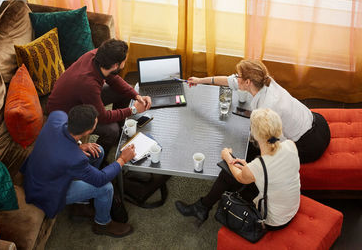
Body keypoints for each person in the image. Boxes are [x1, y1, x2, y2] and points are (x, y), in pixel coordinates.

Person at [21, 104, 136, 237]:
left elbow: (61, 141)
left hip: (45, 170)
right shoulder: (74, 159)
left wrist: (79, 145)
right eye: (95, 123)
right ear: (87, 131)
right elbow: (100, 179)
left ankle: (81, 204)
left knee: (98, 151)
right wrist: (122, 159)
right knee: (106, 188)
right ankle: (102, 224)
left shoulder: (57, 116)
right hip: (46, 192)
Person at [176, 108, 301, 229]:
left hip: (273, 220)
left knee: (227, 173)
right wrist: (248, 167)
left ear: (256, 135)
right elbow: (272, 168)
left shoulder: (258, 165)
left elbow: (240, 177)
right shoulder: (290, 145)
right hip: (291, 207)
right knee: (233, 171)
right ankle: (203, 207)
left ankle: (201, 208)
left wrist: (227, 156)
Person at [187, 59, 330, 164]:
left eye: (238, 76)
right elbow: (228, 81)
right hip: (319, 122)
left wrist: (257, 144)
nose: (235, 78)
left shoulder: (268, 107)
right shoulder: (264, 81)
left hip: (310, 144)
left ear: (248, 82)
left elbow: (279, 142)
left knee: (250, 150)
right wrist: (200, 80)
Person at [47, 39, 152, 158]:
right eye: (125, 60)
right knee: (112, 130)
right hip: (66, 114)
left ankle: (121, 128)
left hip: (80, 97)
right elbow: (102, 117)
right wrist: (133, 110)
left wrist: (136, 95)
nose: (126, 60)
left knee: (123, 92)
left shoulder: (98, 55)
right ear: (116, 65)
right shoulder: (89, 84)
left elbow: (113, 78)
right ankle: (98, 160)